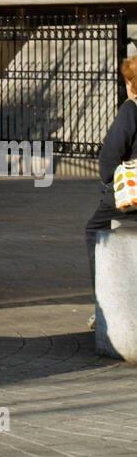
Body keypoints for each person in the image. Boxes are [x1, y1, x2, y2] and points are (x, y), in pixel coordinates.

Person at [85, 56, 137, 295]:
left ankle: (105, 301)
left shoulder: (131, 109)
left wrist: (108, 183)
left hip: (131, 188)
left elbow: (111, 152)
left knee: (95, 230)